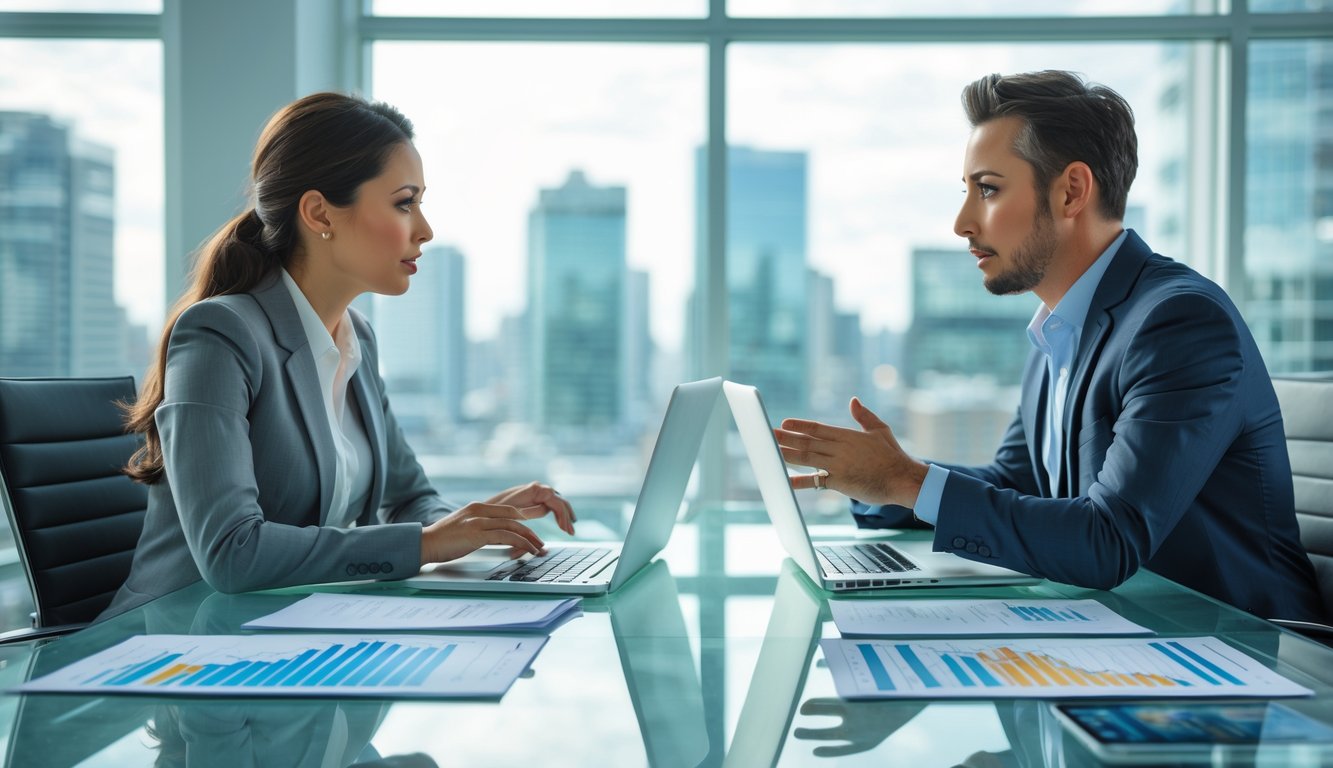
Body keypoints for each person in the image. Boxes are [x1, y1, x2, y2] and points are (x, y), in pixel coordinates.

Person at [774, 70, 1323, 623]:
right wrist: (882, 478)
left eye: (988, 189)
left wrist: (906, 481)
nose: (962, 223)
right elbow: (1017, 483)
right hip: (1125, 631)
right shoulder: (1056, 330)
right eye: (967, 191)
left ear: (1071, 192)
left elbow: (1109, 539)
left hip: (1245, 647)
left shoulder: (1179, 323)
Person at [102, 92, 574, 618]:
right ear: (319, 212)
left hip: (292, 628)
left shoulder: (357, 339)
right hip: (177, 639)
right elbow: (232, 552)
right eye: (404, 203)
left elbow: (409, 497)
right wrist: (426, 544)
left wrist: (480, 524)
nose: (425, 229)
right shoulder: (220, 334)